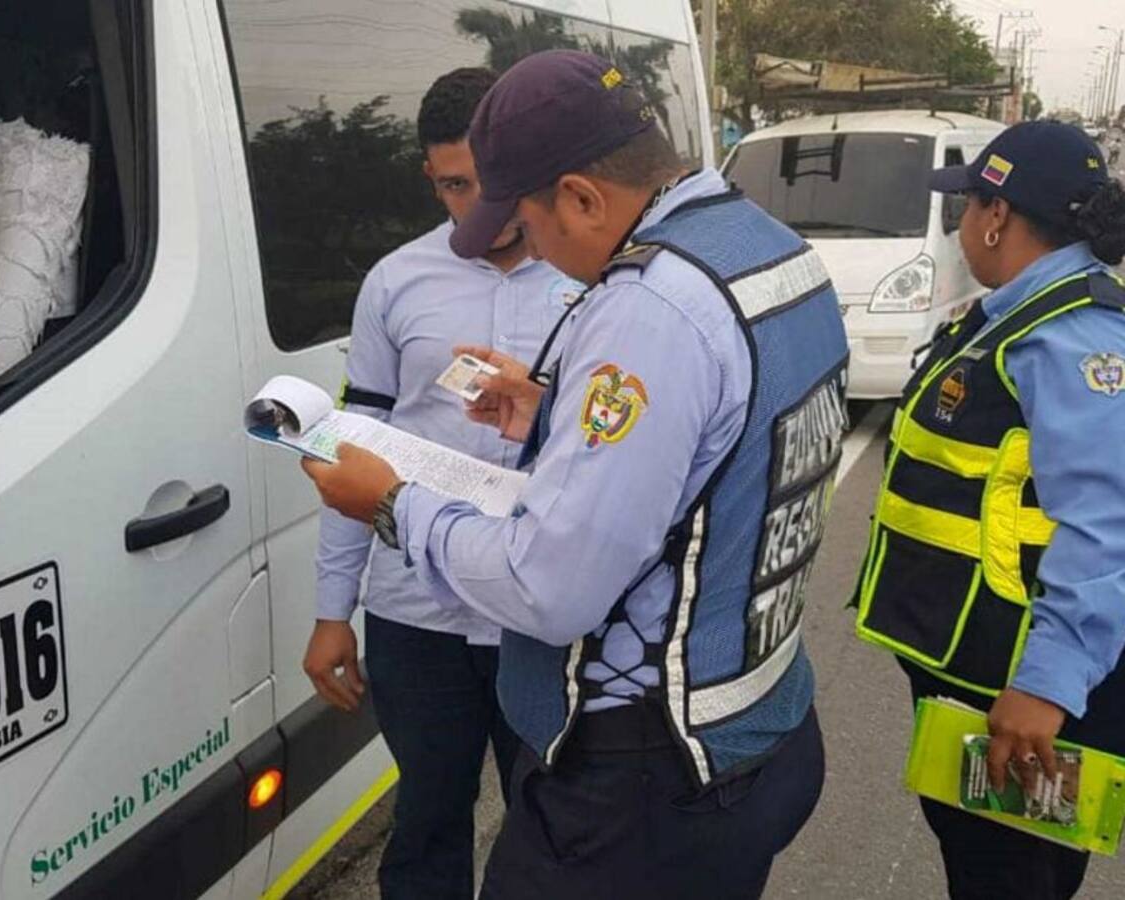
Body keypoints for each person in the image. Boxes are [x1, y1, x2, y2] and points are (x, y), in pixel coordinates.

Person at [301, 50, 848, 899]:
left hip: (647, 784)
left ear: (584, 198)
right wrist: (552, 410)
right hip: (761, 724)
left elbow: (550, 587)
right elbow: (722, 439)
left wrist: (394, 506)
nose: (537, 254)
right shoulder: (764, 246)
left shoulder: (649, 305)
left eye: (530, 222)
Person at [302, 67, 575, 900]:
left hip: (539, 613)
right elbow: (358, 449)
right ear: (431, 177)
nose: (476, 207)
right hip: (415, 615)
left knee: (553, 829)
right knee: (425, 822)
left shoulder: (595, 281)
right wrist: (330, 612)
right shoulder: (394, 283)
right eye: (455, 185)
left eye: (491, 183)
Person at [853, 120, 1125, 899]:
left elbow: (1108, 527)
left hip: (1014, 682)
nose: (963, 224)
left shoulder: (1072, 338)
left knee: (1005, 873)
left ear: (996, 217)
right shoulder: (1010, 313)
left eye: (968, 205)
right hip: (970, 661)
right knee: (995, 864)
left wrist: (1047, 685)